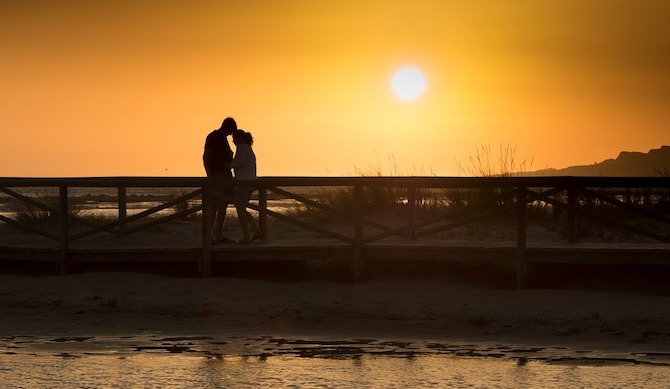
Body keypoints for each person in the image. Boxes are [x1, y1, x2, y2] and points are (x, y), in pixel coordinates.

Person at [203, 117, 236, 244]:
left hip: (226, 175)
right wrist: (209, 174)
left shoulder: (223, 139)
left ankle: (218, 235)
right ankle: (209, 236)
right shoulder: (213, 137)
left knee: (224, 205)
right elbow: (206, 155)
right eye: (230, 131)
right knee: (214, 206)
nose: (230, 134)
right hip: (217, 175)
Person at [230, 129, 262, 243]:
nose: (233, 141)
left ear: (240, 138)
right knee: (241, 208)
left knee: (240, 209)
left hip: (243, 182)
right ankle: (256, 230)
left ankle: (247, 236)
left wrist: (228, 165)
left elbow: (241, 161)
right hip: (250, 181)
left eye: (234, 138)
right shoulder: (248, 148)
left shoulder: (242, 147)